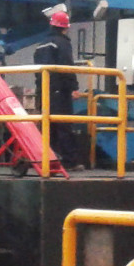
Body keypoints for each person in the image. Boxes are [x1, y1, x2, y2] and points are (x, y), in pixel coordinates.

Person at [32, 10, 85, 170]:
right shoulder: (62, 43)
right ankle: (69, 161)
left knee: (48, 127)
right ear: (65, 27)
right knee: (64, 126)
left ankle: (48, 159)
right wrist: (73, 88)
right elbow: (66, 67)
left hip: (43, 91)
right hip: (60, 92)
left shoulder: (41, 45)